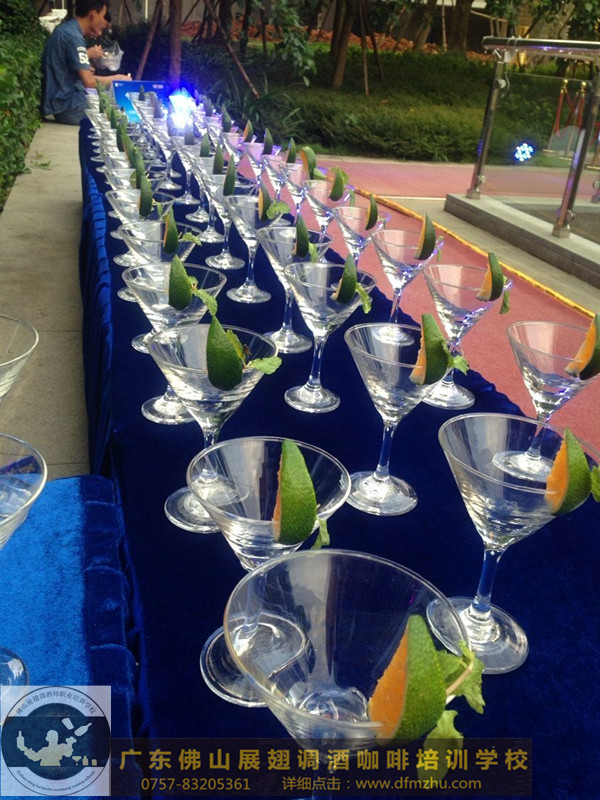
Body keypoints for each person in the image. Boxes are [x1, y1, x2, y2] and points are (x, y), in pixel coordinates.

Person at [41, 0, 131, 125]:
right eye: (103, 15)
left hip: (67, 102)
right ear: (93, 14)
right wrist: (118, 79)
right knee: (125, 113)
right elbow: (89, 82)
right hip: (69, 107)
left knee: (118, 101)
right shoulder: (74, 37)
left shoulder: (68, 30)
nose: (103, 20)